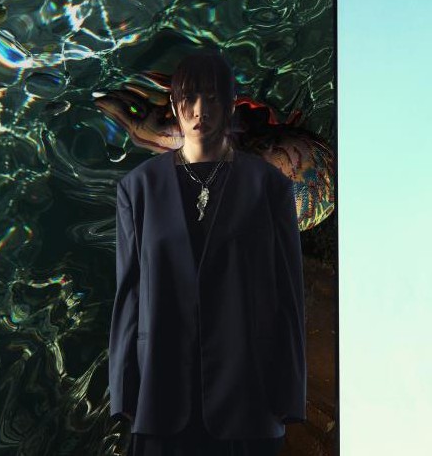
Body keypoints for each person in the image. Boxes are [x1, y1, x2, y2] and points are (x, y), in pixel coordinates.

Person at [108, 51, 306, 456]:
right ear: (175, 104)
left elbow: (289, 296)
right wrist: (125, 392)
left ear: (231, 104)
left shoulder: (270, 186)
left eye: (213, 98)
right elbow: (128, 294)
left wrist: (290, 393)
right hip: (161, 395)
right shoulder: (137, 188)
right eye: (189, 98)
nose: (200, 110)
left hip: (249, 394)